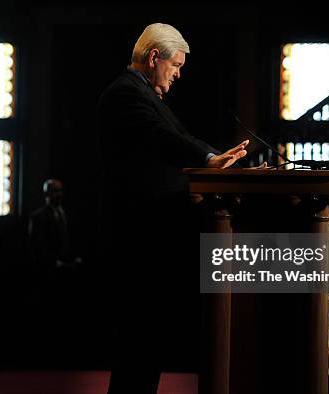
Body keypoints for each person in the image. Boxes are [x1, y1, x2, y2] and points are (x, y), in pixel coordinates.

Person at [97, 23, 251, 394]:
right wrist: (206, 159)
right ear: (154, 58)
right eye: (175, 66)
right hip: (140, 236)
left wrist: (214, 156)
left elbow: (180, 136)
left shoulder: (147, 94)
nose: (178, 74)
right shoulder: (126, 94)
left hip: (154, 234)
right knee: (138, 346)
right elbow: (161, 138)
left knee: (148, 347)